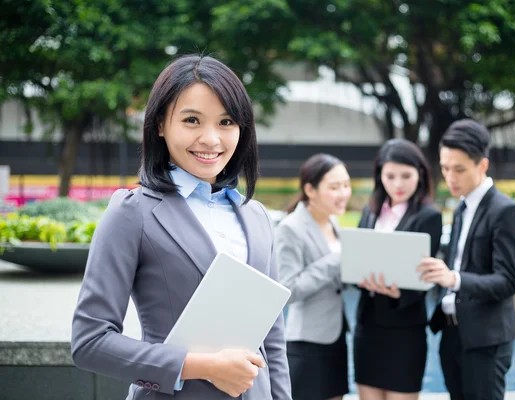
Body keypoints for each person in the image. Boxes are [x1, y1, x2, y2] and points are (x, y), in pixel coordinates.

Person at [71, 55, 292, 400]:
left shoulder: (257, 216)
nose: (211, 139)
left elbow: (273, 341)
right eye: (192, 120)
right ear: (160, 124)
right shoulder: (133, 212)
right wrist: (203, 366)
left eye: (226, 122)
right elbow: (90, 341)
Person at [419, 119, 515, 400]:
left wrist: (452, 279)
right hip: (452, 334)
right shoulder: (461, 209)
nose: (450, 177)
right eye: (444, 168)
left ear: (482, 165)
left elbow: (507, 281)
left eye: (459, 169)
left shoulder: (506, 211)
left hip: (485, 342)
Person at [353, 139, 442, 400]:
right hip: (367, 326)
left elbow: (425, 273)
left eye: (406, 175)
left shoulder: (428, 216)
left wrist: (398, 294)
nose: (398, 184)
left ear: (420, 175)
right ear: (380, 175)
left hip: (404, 330)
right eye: (390, 176)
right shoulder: (370, 213)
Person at [275, 153, 352, 400]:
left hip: (336, 337)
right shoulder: (291, 228)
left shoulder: (333, 223)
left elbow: (336, 279)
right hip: (307, 343)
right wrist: (335, 259)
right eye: (334, 187)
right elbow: (287, 289)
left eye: (346, 185)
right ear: (310, 189)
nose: (343, 193)